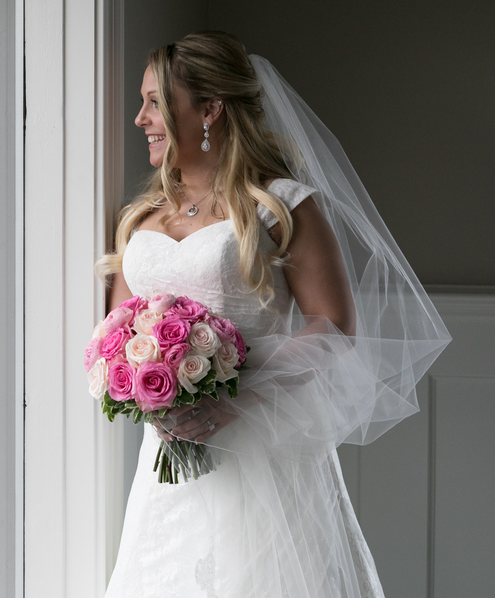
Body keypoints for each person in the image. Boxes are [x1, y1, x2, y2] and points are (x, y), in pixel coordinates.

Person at [99, 31, 449, 597]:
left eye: (155, 102)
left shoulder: (281, 205)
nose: (140, 118)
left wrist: (235, 398)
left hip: (261, 446)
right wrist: (140, 386)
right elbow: (118, 330)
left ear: (210, 109)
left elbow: (333, 325)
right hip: (168, 462)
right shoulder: (140, 218)